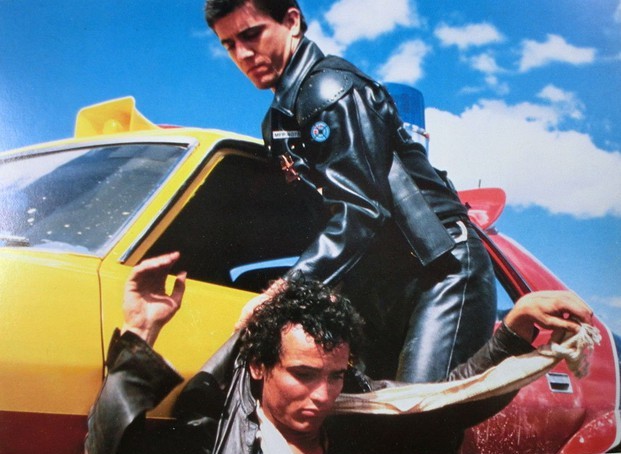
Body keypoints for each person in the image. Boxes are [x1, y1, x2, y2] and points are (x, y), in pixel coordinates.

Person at [204, 0, 497, 383]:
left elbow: (360, 209)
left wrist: (283, 291)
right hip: (377, 287)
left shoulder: (331, 89)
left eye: (251, 35)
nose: (242, 54)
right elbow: (323, 222)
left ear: (291, 21)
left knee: (414, 410)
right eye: (229, 44)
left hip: (439, 272)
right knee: (357, 409)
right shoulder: (278, 121)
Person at [85, 252, 593, 454]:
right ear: (259, 365)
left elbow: (449, 401)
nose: (322, 395)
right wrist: (142, 331)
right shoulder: (213, 440)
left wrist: (515, 328)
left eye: (334, 375)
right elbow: (111, 447)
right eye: (303, 374)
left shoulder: (356, 423)